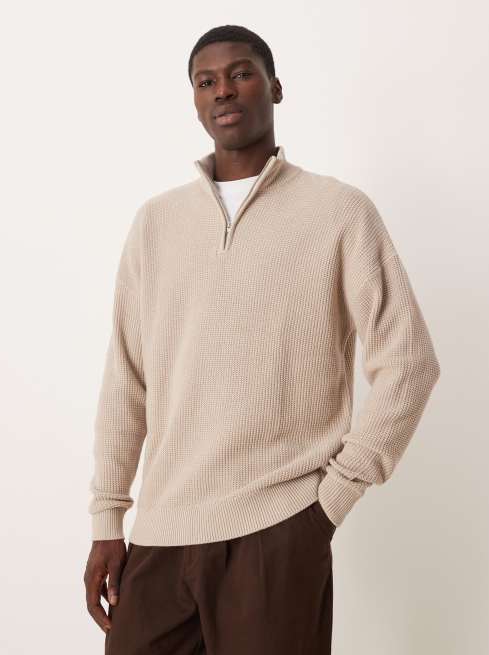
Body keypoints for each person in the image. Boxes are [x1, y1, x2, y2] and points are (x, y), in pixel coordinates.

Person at [84, 24, 441, 655]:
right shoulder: (156, 223)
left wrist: (330, 502)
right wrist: (107, 519)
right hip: (161, 534)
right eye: (206, 81)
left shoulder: (338, 211)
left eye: (241, 73)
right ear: (195, 101)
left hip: (277, 527)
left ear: (275, 87)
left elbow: (409, 361)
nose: (223, 90)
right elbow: (127, 379)